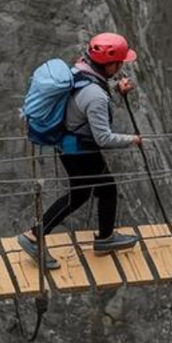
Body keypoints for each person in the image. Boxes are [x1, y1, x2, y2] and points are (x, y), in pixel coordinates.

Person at [22, 32, 144, 268]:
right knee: (97, 191)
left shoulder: (80, 70)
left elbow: (86, 98)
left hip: (68, 144)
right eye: (119, 64)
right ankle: (36, 235)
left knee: (92, 191)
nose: (120, 68)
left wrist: (117, 90)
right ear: (109, 64)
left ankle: (103, 238)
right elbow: (103, 137)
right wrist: (133, 140)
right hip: (80, 149)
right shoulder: (96, 96)